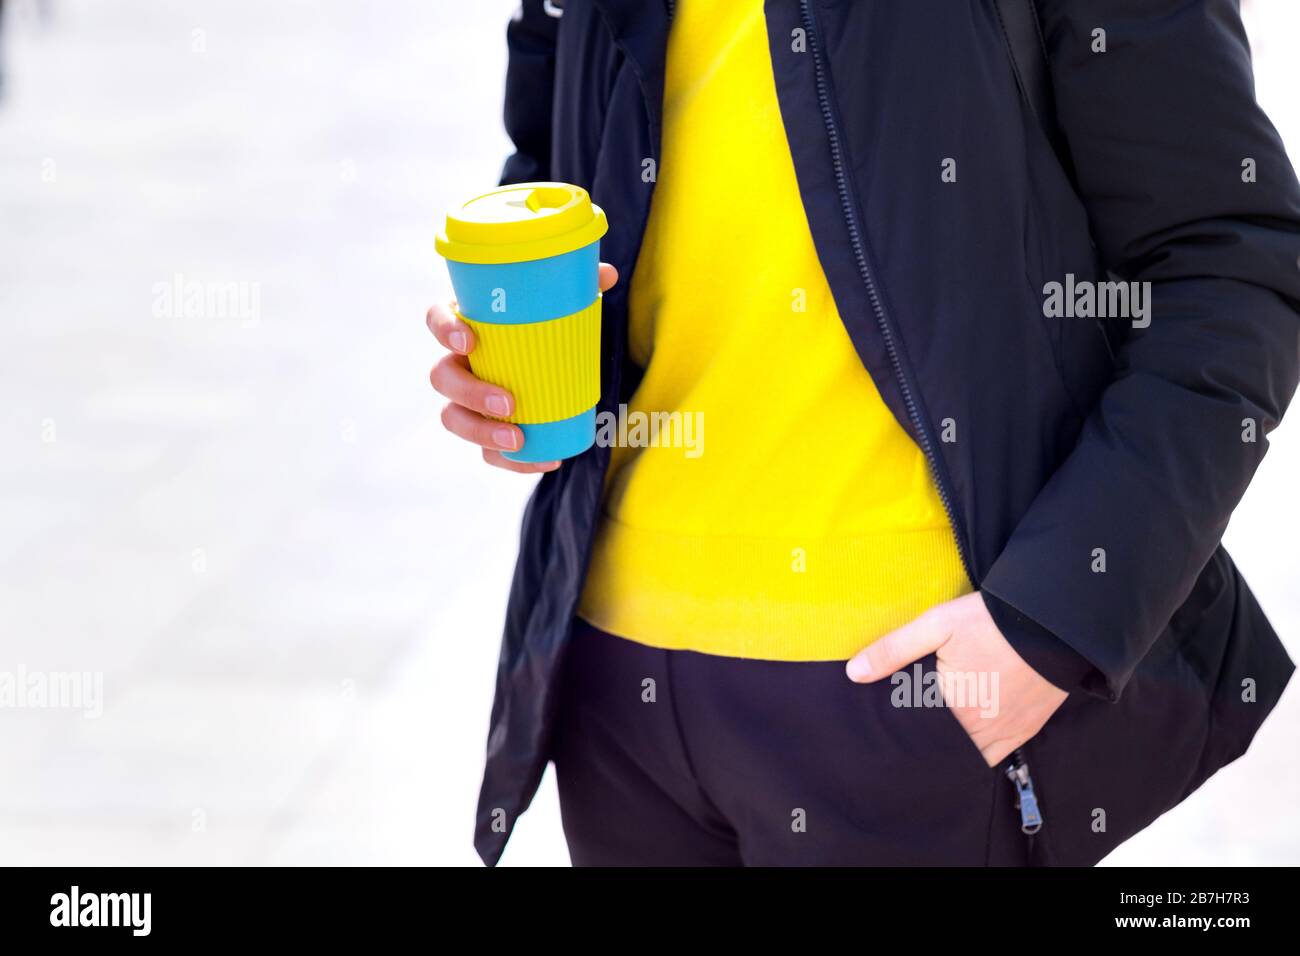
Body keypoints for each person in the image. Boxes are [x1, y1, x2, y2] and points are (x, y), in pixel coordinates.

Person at [428, 0, 1300, 866]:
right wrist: (526, 352)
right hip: (613, 684)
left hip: (910, 698)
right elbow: (555, 147)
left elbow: (1227, 261)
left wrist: (1055, 623)